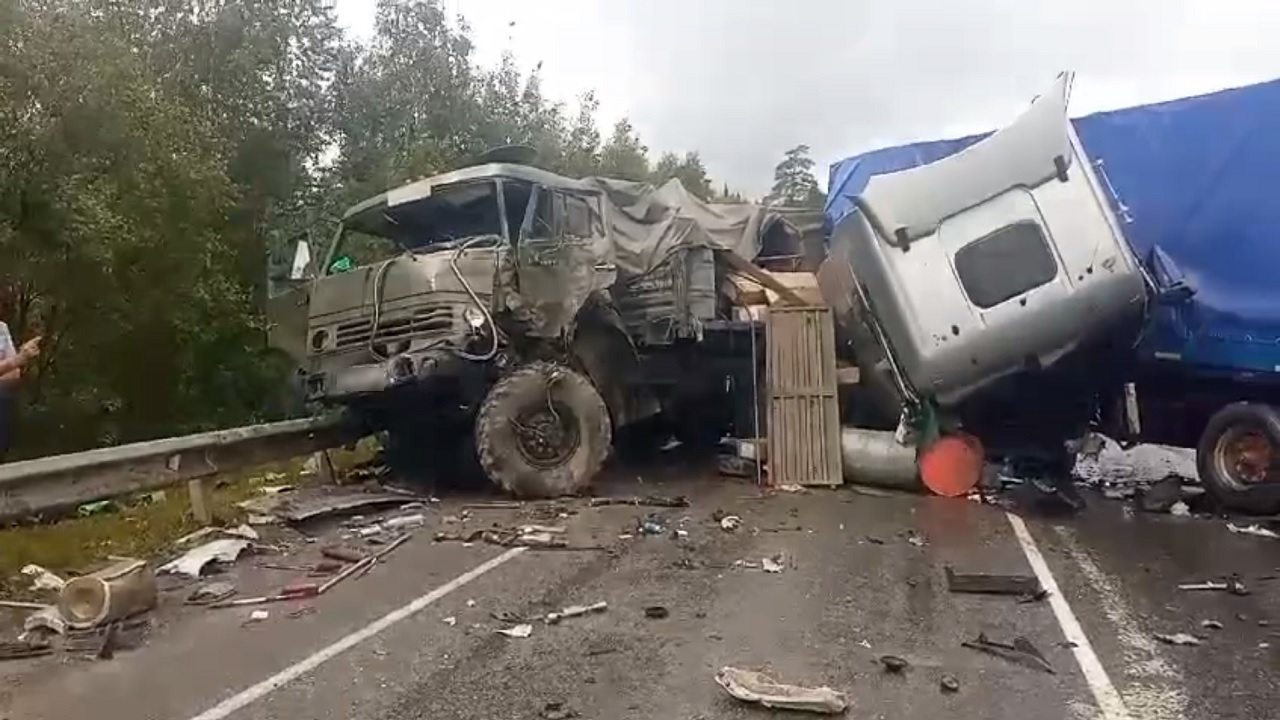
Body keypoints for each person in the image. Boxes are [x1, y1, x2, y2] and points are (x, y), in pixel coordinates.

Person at [0, 321, 40, 457]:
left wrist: (17, 361)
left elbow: (14, 374)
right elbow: (14, 363)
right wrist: (17, 360)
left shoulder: (1, 328)